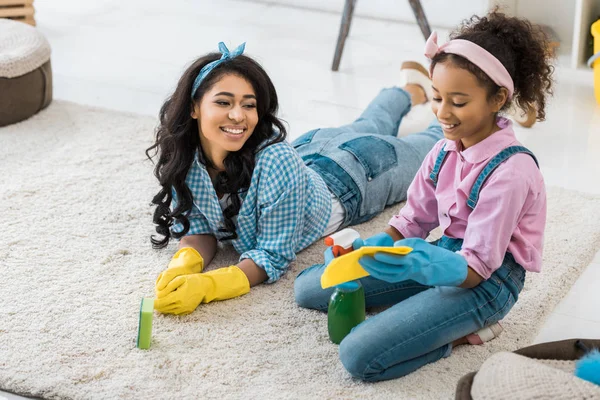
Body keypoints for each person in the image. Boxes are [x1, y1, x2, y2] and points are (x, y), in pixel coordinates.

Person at [294, 10, 553, 381]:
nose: (442, 114)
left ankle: (461, 336)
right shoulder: (445, 149)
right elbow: (414, 219)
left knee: (358, 355)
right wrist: (376, 247)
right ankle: (423, 309)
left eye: (458, 102)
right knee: (309, 287)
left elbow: (478, 268)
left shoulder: (511, 172)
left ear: (497, 99)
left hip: (486, 282)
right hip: (446, 255)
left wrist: (418, 264)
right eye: (436, 97)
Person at [145, 42, 443, 315]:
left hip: (359, 176)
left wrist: (210, 286)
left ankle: (436, 97)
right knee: (370, 123)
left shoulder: (276, 160)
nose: (238, 116)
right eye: (223, 102)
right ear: (194, 107)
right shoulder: (186, 156)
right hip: (311, 148)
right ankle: (413, 89)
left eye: (249, 105)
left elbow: (273, 255)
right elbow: (201, 227)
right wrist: (184, 264)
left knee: (437, 142)